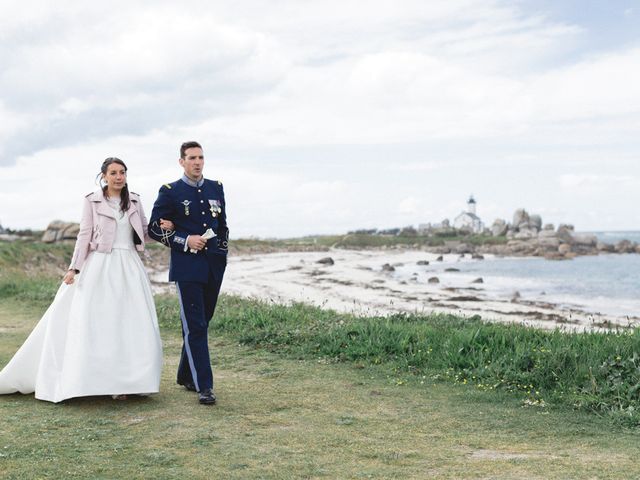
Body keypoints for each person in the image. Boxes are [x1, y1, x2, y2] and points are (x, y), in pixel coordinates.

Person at [0, 158, 167, 403]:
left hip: (129, 266)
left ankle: (128, 382)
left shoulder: (134, 200)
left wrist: (164, 229)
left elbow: (143, 232)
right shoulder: (92, 200)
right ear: (104, 176)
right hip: (100, 264)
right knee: (99, 321)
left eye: (122, 172)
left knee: (131, 322)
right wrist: (74, 268)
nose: (118, 177)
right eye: (113, 173)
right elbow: (84, 235)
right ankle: (95, 380)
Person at [148, 141, 228, 405]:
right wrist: (185, 239)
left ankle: (185, 374)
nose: (197, 162)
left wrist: (222, 254)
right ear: (181, 162)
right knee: (195, 326)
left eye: (201, 157)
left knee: (201, 323)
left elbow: (223, 226)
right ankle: (205, 386)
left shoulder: (216, 188)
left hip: (214, 265)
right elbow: (154, 229)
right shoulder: (170, 191)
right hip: (187, 267)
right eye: (192, 158)